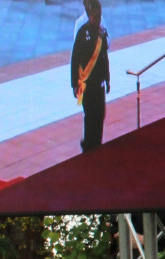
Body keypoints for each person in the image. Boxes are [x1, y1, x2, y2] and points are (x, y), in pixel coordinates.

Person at [71, 0, 110, 153]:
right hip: (87, 84)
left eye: (100, 15)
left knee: (100, 114)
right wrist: (75, 83)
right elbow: (75, 60)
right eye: (96, 15)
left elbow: (103, 58)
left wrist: (107, 79)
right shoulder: (83, 32)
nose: (99, 18)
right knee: (90, 116)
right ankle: (89, 145)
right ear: (90, 15)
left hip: (99, 83)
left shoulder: (101, 33)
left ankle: (97, 143)